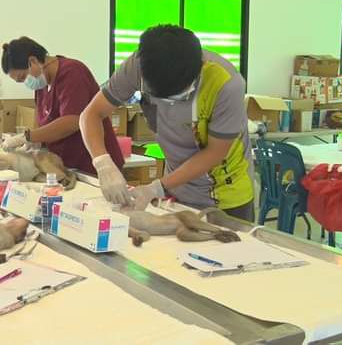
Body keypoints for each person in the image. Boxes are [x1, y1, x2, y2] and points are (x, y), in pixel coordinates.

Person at [79, 25, 255, 221]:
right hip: (175, 187)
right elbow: (91, 115)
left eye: (176, 98)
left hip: (225, 194)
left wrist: (157, 187)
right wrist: (103, 163)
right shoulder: (140, 65)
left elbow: (215, 152)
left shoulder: (226, 84)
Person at [0, 36, 124, 174]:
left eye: (23, 77)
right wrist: (36, 142)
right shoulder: (41, 85)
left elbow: (72, 121)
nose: (26, 82)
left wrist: (27, 137)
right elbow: (42, 124)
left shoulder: (72, 72)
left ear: (33, 61)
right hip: (68, 166)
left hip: (94, 165)